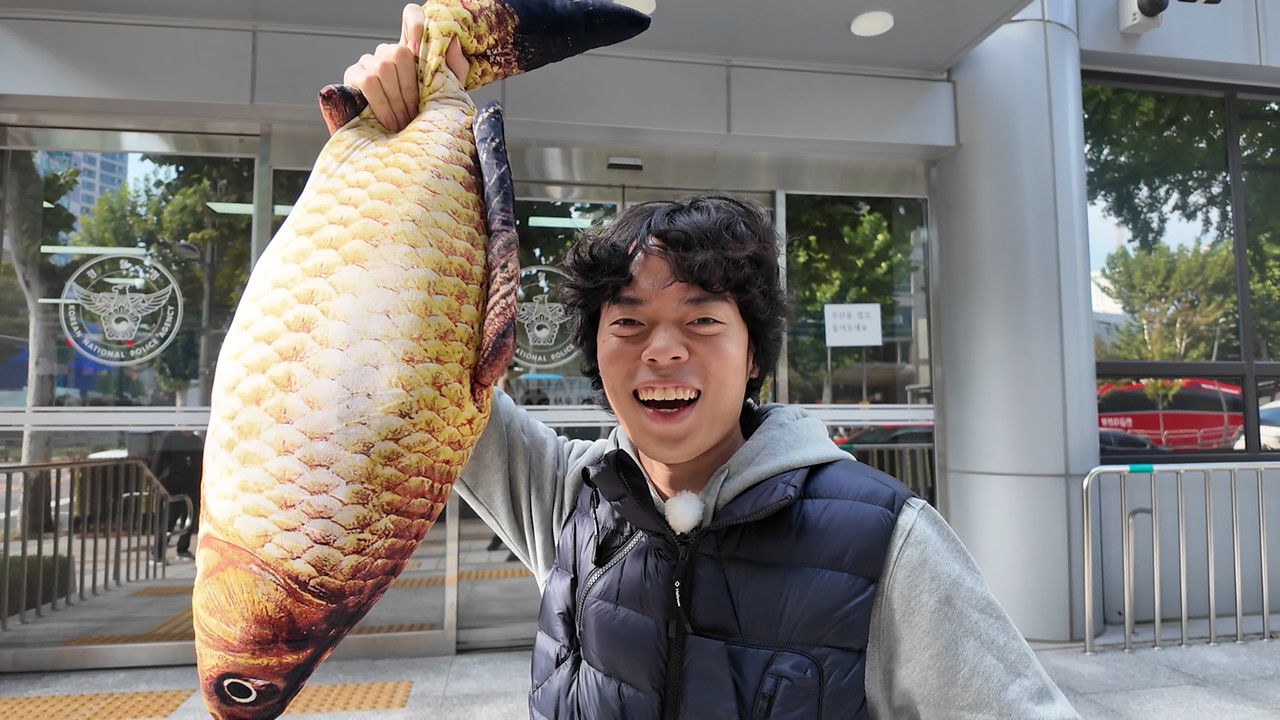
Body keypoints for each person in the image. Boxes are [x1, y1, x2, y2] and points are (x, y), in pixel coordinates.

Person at [344, 5, 1080, 717]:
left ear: (754, 350)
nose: (662, 349)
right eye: (628, 321)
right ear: (595, 348)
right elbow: (418, 361)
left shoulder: (887, 541)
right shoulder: (571, 501)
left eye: (701, 319)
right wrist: (390, 143)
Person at [149, 429, 203, 560]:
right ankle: (158, 553)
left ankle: (183, 548)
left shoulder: (196, 441)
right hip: (171, 485)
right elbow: (159, 459)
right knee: (169, 518)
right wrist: (153, 480)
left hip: (191, 484)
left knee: (189, 517)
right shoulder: (171, 438)